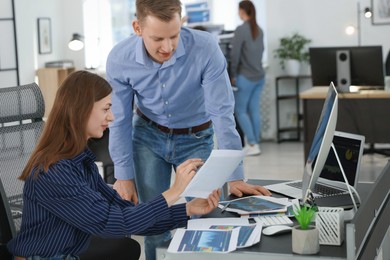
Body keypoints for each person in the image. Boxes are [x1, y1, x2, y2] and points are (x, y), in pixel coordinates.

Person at [106, 1, 271, 259]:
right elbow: (119, 120)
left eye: (174, 35)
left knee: (202, 217)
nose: (167, 47)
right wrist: (124, 175)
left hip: (196, 137)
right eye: (158, 38)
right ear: (137, 28)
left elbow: (223, 115)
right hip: (148, 137)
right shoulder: (120, 59)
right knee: (155, 224)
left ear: (181, 23)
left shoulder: (205, 48)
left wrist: (235, 175)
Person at [7, 70, 221, 260]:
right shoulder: (54, 171)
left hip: (69, 249)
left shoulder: (78, 160)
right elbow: (112, 223)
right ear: (80, 110)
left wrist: (186, 210)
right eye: (106, 109)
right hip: (47, 257)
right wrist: (173, 192)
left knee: (126, 247)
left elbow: (124, 212)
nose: (112, 117)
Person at [230, 0, 266, 156]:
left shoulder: (241, 29)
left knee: (240, 110)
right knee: (254, 110)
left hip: (245, 77)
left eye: (238, 10)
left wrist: (232, 74)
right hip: (260, 76)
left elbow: (235, 55)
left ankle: (251, 143)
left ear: (242, 11)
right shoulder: (259, 29)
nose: (238, 13)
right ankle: (255, 143)